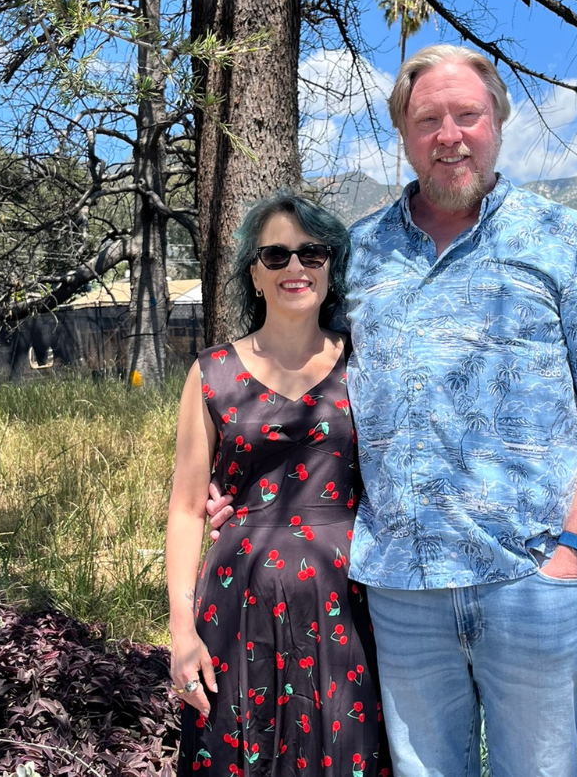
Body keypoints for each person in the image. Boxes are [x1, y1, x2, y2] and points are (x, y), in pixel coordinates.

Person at [343, 45, 577, 777]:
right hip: (401, 591)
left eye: (467, 115)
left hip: (532, 583)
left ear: (498, 123)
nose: (449, 135)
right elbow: (309, 392)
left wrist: (573, 556)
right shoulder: (357, 255)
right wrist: (241, 483)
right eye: (428, 119)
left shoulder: (565, 241)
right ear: (404, 133)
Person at [166, 192, 391, 777]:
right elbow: (187, 509)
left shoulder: (367, 363)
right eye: (276, 255)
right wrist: (182, 632)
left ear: (330, 267)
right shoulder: (211, 373)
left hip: (348, 604)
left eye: (312, 253)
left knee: (345, 753)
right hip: (237, 606)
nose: (296, 267)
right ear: (254, 274)